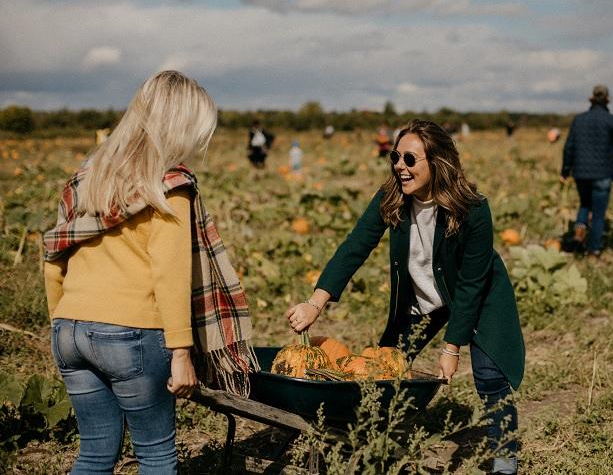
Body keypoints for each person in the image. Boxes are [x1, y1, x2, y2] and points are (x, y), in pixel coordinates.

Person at [42, 71, 257, 473]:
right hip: (131, 334)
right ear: (180, 126)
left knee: (93, 455)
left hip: (69, 331)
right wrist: (181, 353)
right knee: (156, 456)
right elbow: (171, 274)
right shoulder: (168, 186)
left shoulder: (88, 178)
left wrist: (63, 318)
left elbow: (54, 255)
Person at [286, 119, 525, 474]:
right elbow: (354, 247)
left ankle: (504, 460)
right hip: (421, 300)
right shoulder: (391, 199)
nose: (400, 165)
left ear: (438, 162)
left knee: (490, 378)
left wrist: (451, 348)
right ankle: (371, 447)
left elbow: (473, 285)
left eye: (410, 159)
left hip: (478, 296)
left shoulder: (473, 210)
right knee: (382, 372)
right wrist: (315, 302)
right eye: (396, 157)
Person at [560, 84, 613, 256]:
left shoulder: (579, 120)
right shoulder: (612, 121)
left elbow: (569, 147)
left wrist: (564, 171)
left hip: (581, 173)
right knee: (599, 214)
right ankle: (593, 250)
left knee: (585, 204)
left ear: (591, 98)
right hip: (603, 174)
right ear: (608, 99)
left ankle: (578, 236)